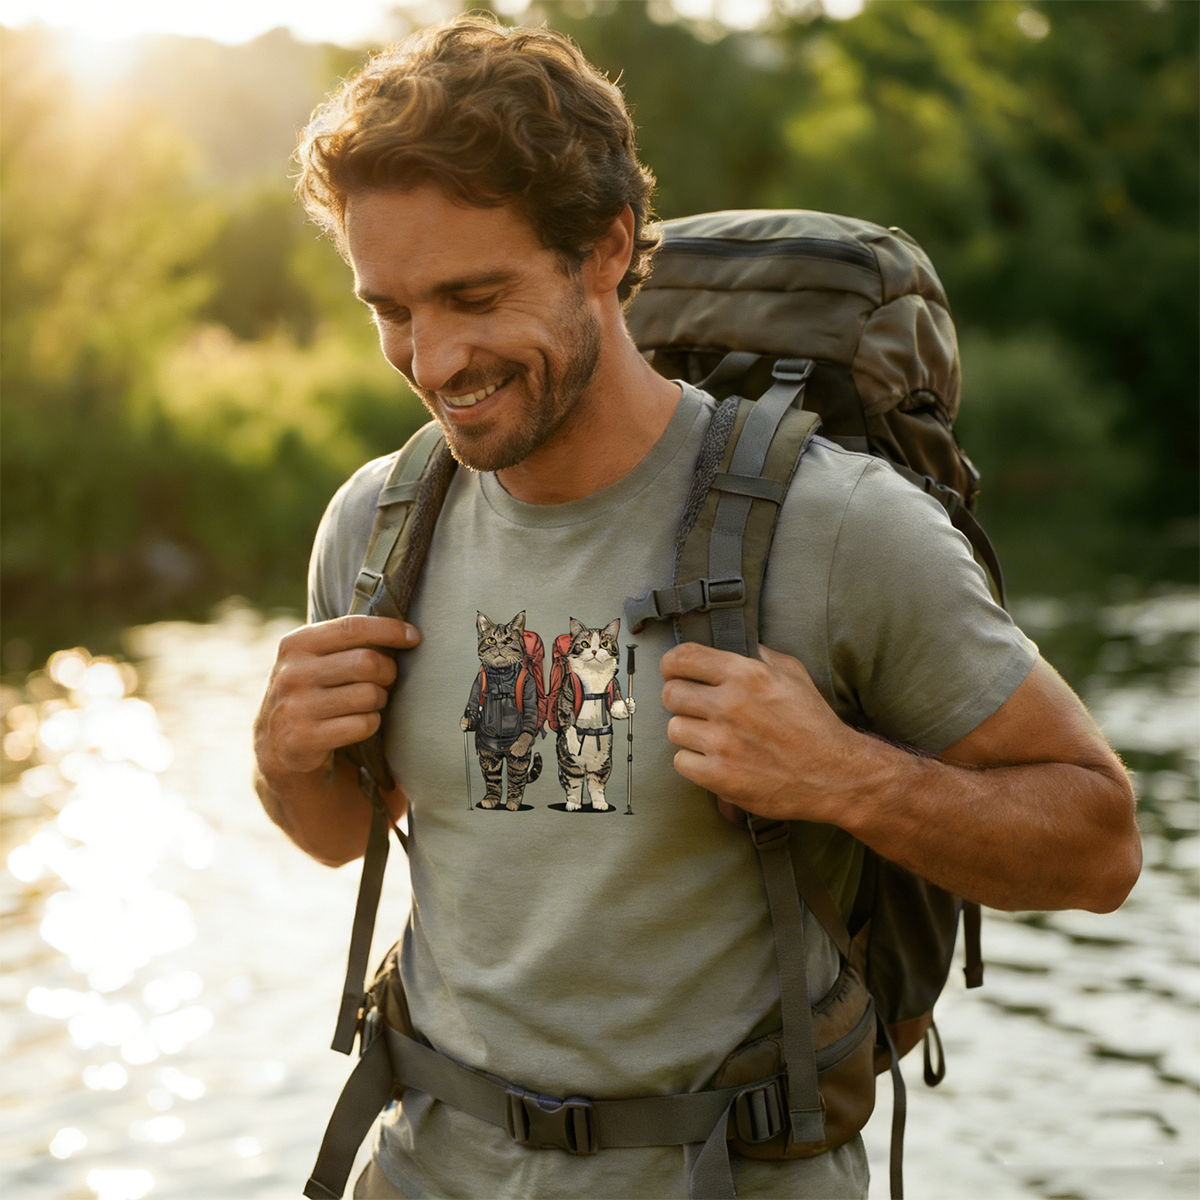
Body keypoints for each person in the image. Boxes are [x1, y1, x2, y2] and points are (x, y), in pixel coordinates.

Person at [253, 15, 1142, 1199]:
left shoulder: (838, 528)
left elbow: (1099, 844)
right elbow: (334, 834)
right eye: (392, 308)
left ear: (607, 249)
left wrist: (847, 777)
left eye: (475, 295)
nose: (432, 358)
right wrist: (280, 761)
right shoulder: (377, 526)